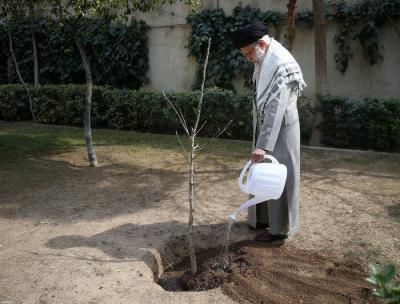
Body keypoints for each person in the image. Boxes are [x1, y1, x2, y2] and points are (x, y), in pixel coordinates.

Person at [231, 22, 306, 243]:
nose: (248, 58)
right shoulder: (266, 58)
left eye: (248, 53)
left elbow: (275, 109)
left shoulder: (280, 64)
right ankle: (263, 220)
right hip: (267, 130)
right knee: (261, 177)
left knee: (278, 178)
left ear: (261, 43)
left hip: (281, 133)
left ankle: (278, 231)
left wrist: (262, 144)